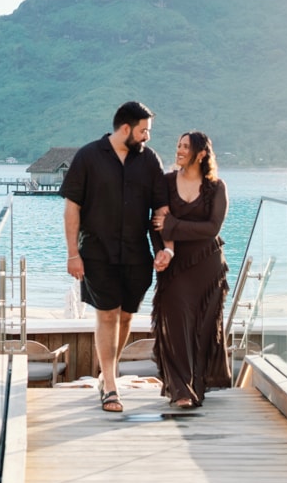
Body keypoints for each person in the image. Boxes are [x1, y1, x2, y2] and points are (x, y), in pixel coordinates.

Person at [61, 101, 171, 412]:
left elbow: (160, 208)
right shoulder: (88, 156)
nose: (147, 136)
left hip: (137, 252)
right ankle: (110, 383)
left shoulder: (149, 160)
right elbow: (72, 209)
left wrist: (165, 246)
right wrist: (72, 254)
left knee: (125, 317)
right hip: (97, 251)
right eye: (144, 130)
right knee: (107, 314)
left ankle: (106, 373)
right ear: (126, 128)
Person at [151, 131, 231, 408]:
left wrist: (173, 226)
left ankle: (197, 386)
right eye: (178, 145)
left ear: (201, 154)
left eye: (186, 146)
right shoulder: (165, 182)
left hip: (208, 267)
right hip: (175, 266)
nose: (180, 150)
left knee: (202, 328)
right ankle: (181, 390)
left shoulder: (216, 187)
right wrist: (164, 249)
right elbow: (156, 222)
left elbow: (212, 228)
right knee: (175, 326)